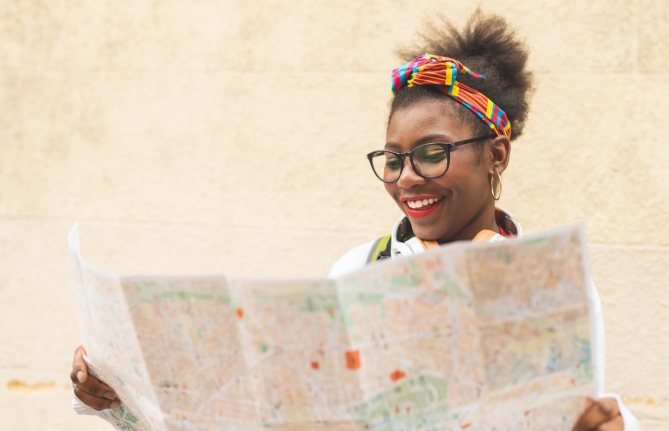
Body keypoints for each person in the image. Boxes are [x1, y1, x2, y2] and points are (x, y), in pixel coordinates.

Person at [70, 10, 640, 431]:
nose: (407, 178)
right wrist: (120, 401)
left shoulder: (547, 284)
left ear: (496, 155)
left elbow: (586, 412)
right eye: (393, 159)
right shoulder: (357, 271)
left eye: (433, 152)